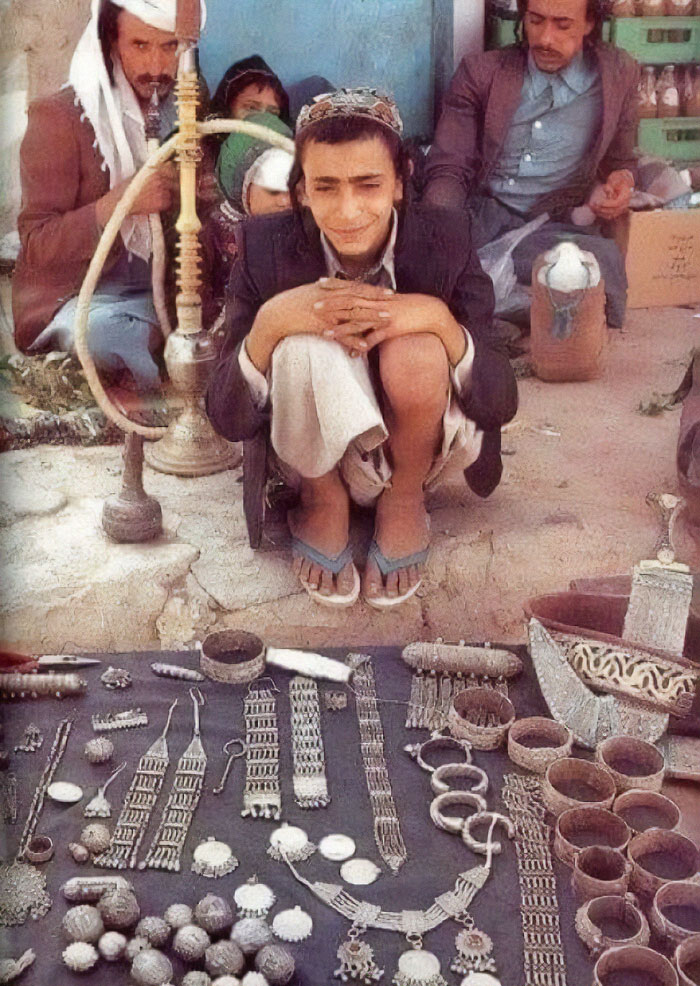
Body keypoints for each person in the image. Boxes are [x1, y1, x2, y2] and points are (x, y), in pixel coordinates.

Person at [206, 88, 517, 609]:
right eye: (326, 187)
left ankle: (404, 500)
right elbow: (226, 415)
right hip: (309, 453)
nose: (348, 211)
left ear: (400, 182)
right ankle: (321, 502)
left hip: (417, 449)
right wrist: (272, 322)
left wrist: (439, 322)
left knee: (417, 346)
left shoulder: (447, 238)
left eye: (368, 184)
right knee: (302, 342)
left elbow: (499, 400)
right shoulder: (265, 246)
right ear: (301, 190)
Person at [12, 0, 193, 390]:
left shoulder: (187, 103)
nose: (157, 67)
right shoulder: (57, 118)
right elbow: (37, 245)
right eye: (140, 45)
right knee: (106, 336)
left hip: (160, 289)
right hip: (81, 298)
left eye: (170, 47)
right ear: (111, 43)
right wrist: (120, 204)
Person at [423, 0, 639, 328]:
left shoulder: (618, 75)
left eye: (562, 25)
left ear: (590, 23)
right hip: (481, 215)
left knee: (600, 267)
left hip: (550, 223)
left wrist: (621, 182)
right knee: (437, 263)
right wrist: (439, 234)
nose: (545, 39)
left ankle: (501, 301)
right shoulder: (481, 73)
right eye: (535, 21)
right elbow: (449, 166)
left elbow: (621, 162)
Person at [201, 111, 294, 326]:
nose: (284, 201)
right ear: (243, 186)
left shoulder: (299, 227)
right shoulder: (210, 234)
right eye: (272, 188)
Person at [210, 55, 289, 123]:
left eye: (272, 113)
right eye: (252, 108)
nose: (262, 121)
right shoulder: (200, 139)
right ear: (227, 111)